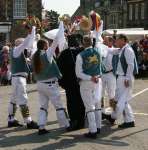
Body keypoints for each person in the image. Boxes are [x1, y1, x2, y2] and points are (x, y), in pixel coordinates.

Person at [32, 22, 70, 135]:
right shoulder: (47, 54)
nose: (48, 45)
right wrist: (61, 27)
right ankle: (66, 125)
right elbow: (56, 42)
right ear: (44, 46)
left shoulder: (34, 55)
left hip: (40, 84)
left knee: (43, 106)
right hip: (50, 84)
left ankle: (41, 126)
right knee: (58, 105)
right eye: (47, 44)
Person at [104, 34, 138, 128]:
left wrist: (127, 78)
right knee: (124, 100)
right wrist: (102, 45)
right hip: (122, 78)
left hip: (125, 78)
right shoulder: (122, 49)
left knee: (121, 101)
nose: (116, 42)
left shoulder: (128, 50)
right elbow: (113, 51)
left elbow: (131, 65)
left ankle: (113, 117)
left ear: (123, 40)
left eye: (117, 40)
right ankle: (129, 120)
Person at [8, 26, 38, 129]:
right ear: (20, 44)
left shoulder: (16, 52)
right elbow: (26, 43)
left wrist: (32, 33)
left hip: (16, 78)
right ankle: (28, 121)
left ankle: (11, 119)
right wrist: (32, 31)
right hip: (19, 79)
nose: (25, 48)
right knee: (23, 99)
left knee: (14, 99)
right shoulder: (17, 50)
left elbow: (27, 44)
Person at [76, 35, 102, 139]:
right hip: (97, 80)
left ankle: (93, 130)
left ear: (83, 43)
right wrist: (96, 77)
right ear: (92, 42)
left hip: (87, 82)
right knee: (97, 104)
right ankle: (98, 127)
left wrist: (90, 77)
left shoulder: (80, 55)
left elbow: (78, 73)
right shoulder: (98, 52)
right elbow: (100, 68)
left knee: (89, 106)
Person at [57, 34, 85, 131]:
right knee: (81, 101)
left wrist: (61, 83)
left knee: (71, 102)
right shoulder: (83, 51)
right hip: (82, 81)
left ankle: (74, 121)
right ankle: (81, 122)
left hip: (69, 83)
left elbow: (59, 69)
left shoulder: (64, 53)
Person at [101, 36, 116, 111]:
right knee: (101, 93)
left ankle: (114, 112)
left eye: (105, 41)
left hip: (111, 74)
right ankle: (101, 111)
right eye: (104, 41)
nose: (103, 42)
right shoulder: (102, 49)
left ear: (111, 42)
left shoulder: (115, 51)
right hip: (102, 74)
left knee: (112, 94)